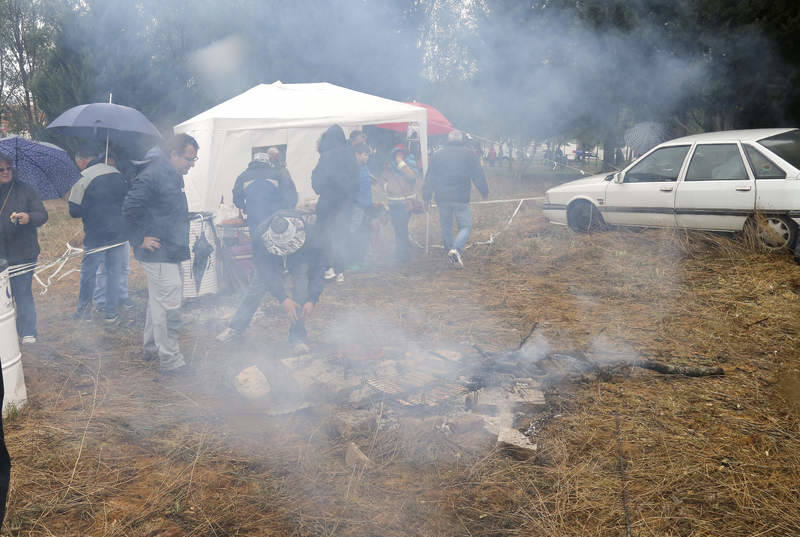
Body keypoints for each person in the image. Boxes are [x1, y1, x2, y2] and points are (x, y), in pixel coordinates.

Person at [123, 134, 198, 374]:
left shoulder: (171, 176)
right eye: (189, 158)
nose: (192, 164)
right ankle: (171, 360)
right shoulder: (153, 175)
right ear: (174, 154)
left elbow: (163, 210)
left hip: (169, 250)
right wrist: (138, 238)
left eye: (195, 159)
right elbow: (128, 209)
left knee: (158, 301)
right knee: (170, 305)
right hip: (158, 251)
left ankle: (153, 348)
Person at [217, 212, 326, 353]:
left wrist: (312, 299)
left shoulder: (310, 235)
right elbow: (265, 270)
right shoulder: (261, 234)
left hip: (299, 258)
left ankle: (298, 337)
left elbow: (318, 269)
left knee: (302, 289)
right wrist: (283, 298)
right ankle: (235, 328)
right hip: (271, 259)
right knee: (256, 289)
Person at [69, 151, 129, 323]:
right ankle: (111, 313)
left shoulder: (83, 176)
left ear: (82, 161)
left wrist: (92, 208)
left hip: (96, 236)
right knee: (114, 274)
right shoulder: (117, 174)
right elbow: (127, 201)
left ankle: (84, 313)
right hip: (119, 234)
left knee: (89, 274)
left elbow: (74, 211)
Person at [422, 130, 488, 267]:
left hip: (442, 198)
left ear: (448, 140)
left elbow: (430, 177)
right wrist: (484, 191)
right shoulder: (469, 154)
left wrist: (426, 196)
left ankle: (450, 253)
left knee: (446, 227)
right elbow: (478, 174)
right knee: (465, 226)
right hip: (461, 198)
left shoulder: (438, 154)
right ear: (462, 140)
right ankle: (456, 249)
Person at [0, 153, 48, 343]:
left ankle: (28, 331)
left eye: (8, 168)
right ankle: (7, 333)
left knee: (22, 291)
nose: (5, 172)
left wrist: (29, 218)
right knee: (3, 297)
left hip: (24, 252)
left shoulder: (25, 189)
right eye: (0, 169)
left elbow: (42, 215)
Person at [311, 124, 358, 283]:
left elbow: (316, 183)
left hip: (328, 203)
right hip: (345, 203)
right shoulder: (350, 154)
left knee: (324, 236)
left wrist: (323, 189)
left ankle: (328, 268)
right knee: (341, 236)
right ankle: (340, 271)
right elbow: (355, 181)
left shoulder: (326, 156)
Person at [380, 144, 419, 264]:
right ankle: (401, 252)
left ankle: (402, 254)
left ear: (404, 154)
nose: (398, 156)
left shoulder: (409, 164)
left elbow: (412, 177)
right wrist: (387, 187)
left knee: (401, 227)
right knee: (397, 227)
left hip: (406, 202)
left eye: (400, 153)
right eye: (396, 154)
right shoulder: (388, 166)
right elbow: (382, 180)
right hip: (393, 201)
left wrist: (401, 163)